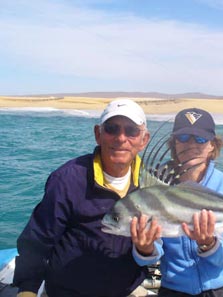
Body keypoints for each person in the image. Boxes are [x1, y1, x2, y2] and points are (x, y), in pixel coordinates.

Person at [13, 99, 162, 297]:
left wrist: (146, 250)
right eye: (112, 129)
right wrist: (28, 289)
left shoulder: (152, 185)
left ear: (144, 140)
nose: (121, 138)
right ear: (98, 135)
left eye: (131, 131)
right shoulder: (67, 179)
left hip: (126, 290)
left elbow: (158, 245)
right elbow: (38, 239)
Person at [132, 108, 223, 296]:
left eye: (201, 139)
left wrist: (209, 244)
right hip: (177, 289)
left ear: (213, 145)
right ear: (174, 143)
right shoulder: (154, 184)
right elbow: (149, 255)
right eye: (184, 137)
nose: (191, 145)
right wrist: (144, 248)